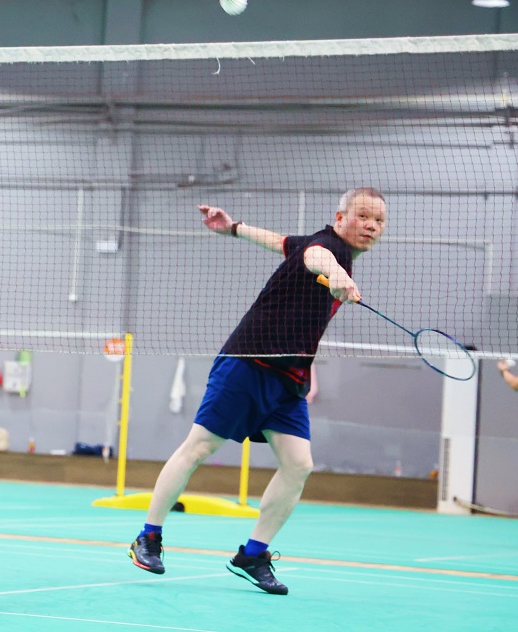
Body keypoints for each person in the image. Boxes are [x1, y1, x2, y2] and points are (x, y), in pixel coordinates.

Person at [129, 187, 387, 595]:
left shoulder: (318, 245)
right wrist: (337, 273)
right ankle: (148, 536)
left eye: (379, 220)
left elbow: (282, 243)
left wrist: (234, 227)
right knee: (199, 447)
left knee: (298, 464)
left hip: (289, 377)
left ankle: (252, 554)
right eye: (363, 216)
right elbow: (314, 257)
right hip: (249, 362)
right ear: (340, 218)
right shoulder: (328, 248)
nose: (371, 226)